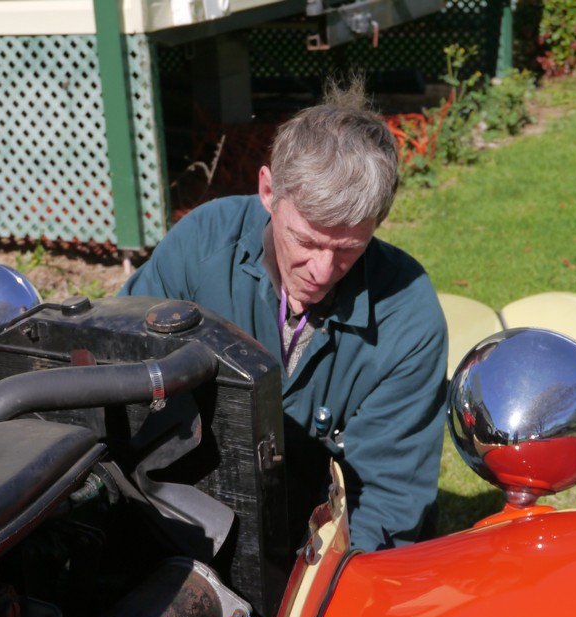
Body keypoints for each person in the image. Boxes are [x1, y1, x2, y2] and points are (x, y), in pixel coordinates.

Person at [119, 79, 447, 552]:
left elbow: (385, 502)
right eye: (307, 241)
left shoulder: (408, 317)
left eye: (348, 249)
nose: (322, 270)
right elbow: (118, 363)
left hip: (328, 547)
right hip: (190, 514)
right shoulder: (201, 245)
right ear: (268, 191)